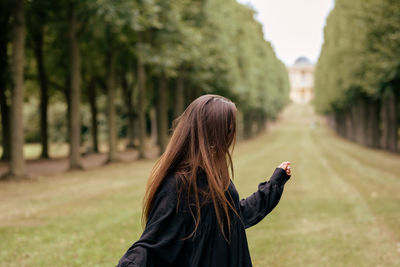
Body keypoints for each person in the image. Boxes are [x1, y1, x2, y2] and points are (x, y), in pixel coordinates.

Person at [116, 94, 292, 267]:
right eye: (228, 127)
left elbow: (235, 215)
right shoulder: (179, 183)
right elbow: (154, 243)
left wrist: (274, 184)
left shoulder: (211, 175)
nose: (231, 132)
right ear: (212, 130)